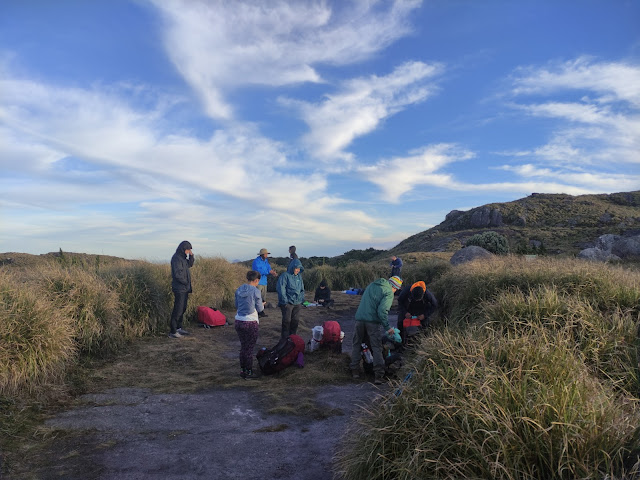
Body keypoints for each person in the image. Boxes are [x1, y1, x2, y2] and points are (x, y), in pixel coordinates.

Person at [350, 275, 402, 384]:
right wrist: (388, 328)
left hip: (359, 319)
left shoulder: (372, 285)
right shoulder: (388, 292)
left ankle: (355, 371)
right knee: (376, 347)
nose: (395, 291)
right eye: (396, 289)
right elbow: (382, 311)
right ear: (394, 287)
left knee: (356, 344)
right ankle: (378, 376)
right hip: (372, 322)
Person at [234, 270, 265, 379]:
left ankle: (243, 369)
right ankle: (249, 371)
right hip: (250, 322)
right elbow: (260, 308)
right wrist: (262, 305)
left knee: (243, 347)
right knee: (249, 349)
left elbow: (236, 305)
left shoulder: (238, 289)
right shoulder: (256, 291)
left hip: (238, 320)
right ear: (256, 280)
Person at [168, 240, 195, 338]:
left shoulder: (183, 258)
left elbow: (190, 264)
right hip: (179, 288)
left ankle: (179, 328)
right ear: (183, 249)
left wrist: (191, 256)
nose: (188, 252)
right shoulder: (176, 258)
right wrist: (185, 282)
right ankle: (173, 331)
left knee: (183, 308)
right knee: (178, 309)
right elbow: (177, 275)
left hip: (184, 288)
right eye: (188, 250)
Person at [276, 258, 305, 339]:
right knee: (286, 322)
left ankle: (293, 339)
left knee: (295, 322)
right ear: (292, 267)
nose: (297, 270)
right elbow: (281, 289)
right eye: (296, 268)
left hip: (297, 303)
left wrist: (301, 299)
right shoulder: (285, 276)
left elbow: (302, 289)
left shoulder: (299, 276)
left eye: (299, 268)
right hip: (287, 303)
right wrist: (285, 301)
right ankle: (284, 340)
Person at [251, 248, 277, 316]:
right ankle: (256, 312)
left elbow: (269, 268)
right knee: (257, 297)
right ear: (262, 254)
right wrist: (269, 272)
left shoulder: (266, 261)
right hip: (258, 282)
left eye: (267, 254)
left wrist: (272, 272)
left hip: (264, 282)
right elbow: (258, 271)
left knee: (263, 298)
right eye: (265, 254)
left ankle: (261, 312)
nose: (266, 255)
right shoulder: (256, 261)